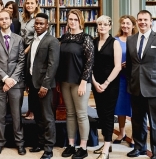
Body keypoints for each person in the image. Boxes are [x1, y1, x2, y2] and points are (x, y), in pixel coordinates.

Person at [0, 10, 26, 156]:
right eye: (1, 19)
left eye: (6, 19)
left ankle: (20, 143)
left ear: (11, 20)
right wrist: (5, 78)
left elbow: (21, 60)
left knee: (16, 116)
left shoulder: (18, 39)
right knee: (0, 116)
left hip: (16, 83)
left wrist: (12, 80)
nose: (4, 21)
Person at [58, 9, 94, 159]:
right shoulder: (64, 37)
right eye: (70, 19)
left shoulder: (86, 38)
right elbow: (60, 61)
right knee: (70, 114)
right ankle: (71, 145)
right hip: (65, 81)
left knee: (81, 115)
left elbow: (89, 62)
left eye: (75, 19)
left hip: (80, 82)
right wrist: (59, 81)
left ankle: (83, 148)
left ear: (80, 21)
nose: (72, 22)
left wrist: (84, 82)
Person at [25, 13, 59, 159]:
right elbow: (30, 63)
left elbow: (53, 65)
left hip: (44, 85)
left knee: (47, 117)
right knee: (37, 116)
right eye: (36, 23)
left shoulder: (52, 41)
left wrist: (45, 85)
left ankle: (49, 148)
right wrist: (28, 83)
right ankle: (40, 143)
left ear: (47, 25)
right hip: (32, 84)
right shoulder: (33, 40)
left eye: (41, 24)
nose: (38, 26)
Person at [126, 10, 156, 159]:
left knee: (154, 123)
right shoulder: (131, 40)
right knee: (137, 121)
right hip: (136, 86)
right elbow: (131, 64)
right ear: (136, 22)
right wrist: (130, 83)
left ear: (151, 21)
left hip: (153, 87)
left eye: (145, 19)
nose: (142, 22)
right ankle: (139, 147)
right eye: (140, 20)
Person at [91, 15, 122, 159]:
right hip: (96, 83)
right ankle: (105, 144)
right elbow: (89, 64)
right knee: (101, 115)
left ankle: (106, 149)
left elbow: (117, 67)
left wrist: (106, 83)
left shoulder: (114, 43)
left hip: (110, 84)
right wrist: (94, 82)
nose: (102, 27)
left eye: (105, 24)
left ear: (110, 26)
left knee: (108, 116)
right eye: (99, 24)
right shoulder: (93, 41)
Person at [113, 15, 138, 147]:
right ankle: (121, 132)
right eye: (123, 23)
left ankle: (134, 135)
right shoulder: (115, 40)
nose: (125, 26)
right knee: (121, 106)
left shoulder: (137, 39)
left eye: (128, 24)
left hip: (134, 78)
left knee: (134, 108)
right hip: (120, 78)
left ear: (133, 25)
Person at [21, 0, 41, 120]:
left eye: (32, 3)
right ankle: (29, 110)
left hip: (32, 51)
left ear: (36, 4)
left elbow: (36, 39)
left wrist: (25, 52)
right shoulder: (24, 18)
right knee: (27, 82)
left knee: (33, 83)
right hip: (23, 51)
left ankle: (34, 111)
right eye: (27, 3)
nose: (29, 5)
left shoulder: (38, 19)